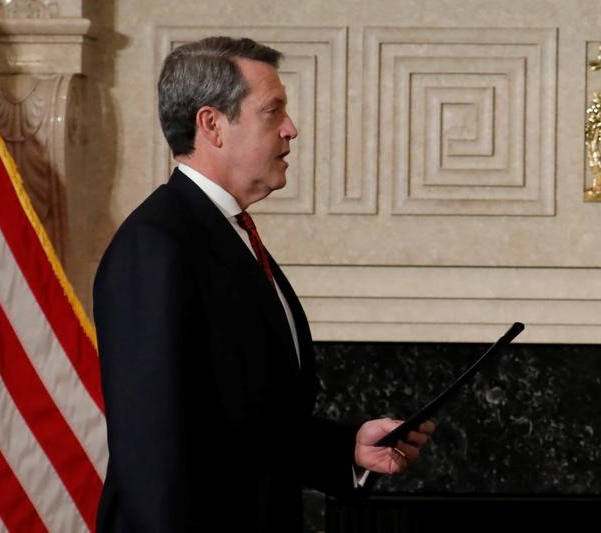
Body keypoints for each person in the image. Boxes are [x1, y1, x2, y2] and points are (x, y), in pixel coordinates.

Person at [92, 36, 435, 533]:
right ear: (212, 125)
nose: (291, 130)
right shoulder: (156, 246)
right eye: (273, 112)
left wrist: (348, 448)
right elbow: (153, 454)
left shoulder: (227, 234)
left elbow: (247, 421)